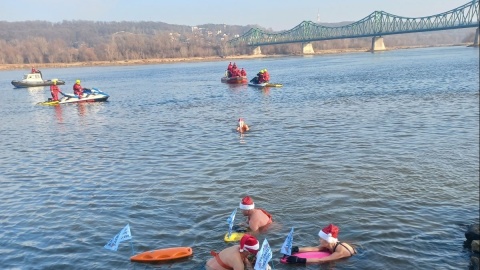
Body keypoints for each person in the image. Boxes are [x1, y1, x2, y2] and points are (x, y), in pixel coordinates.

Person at [285, 224, 356, 264]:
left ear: (327, 240)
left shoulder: (340, 252)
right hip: (342, 249)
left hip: (354, 258)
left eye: (321, 239)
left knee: (328, 264)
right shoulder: (330, 244)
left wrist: (299, 260)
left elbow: (321, 259)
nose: (319, 240)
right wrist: (295, 249)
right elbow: (314, 248)